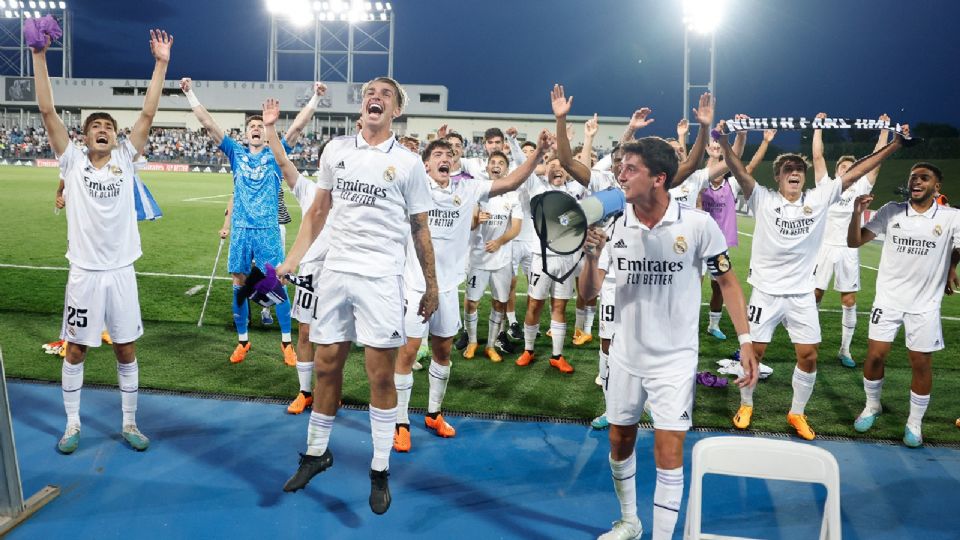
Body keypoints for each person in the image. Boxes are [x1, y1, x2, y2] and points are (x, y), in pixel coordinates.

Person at [578, 136, 757, 540]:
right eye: (620, 167)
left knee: (669, 451)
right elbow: (589, 293)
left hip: (675, 360)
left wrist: (745, 339)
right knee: (619, 438)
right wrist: (590, 255)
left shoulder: (696, 224)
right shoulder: (614, 224)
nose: (620, 175)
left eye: (630, 169)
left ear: (659, 178)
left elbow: (727, 282)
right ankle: (629, 521)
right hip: (624, 355)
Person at [275, 77, 438, 515]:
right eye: (370, 92)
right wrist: (292, 260)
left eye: (385, 94)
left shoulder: (407, 162)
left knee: (379, 376)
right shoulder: (336, 150)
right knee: (326, 365)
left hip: (380, 279)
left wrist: (432, 284)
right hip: (335, 275)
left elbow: (420, 228)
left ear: (396, 110)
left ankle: (380, 469)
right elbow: (318, 211)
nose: (375, 98)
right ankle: (316, 453)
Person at [717, 119, 907, 440]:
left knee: (808, 355)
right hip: (765, 294)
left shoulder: (818, 198)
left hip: (802, 295)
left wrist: (896, 144)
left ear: (803, 177)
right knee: (755, 353)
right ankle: (747, 404)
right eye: (788, 168)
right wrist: (724, 142)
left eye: (799, 169)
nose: (795, 172)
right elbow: (738, 170)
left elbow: (857, 172)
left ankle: (797, 413)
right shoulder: (762, 198)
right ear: (777, 176)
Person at [34, 29, 173, 454]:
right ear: (83, 136)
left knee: (126, 349)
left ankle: (130, 423)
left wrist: (161, 64)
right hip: (84, 274)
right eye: (95, 126)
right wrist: (39, 56)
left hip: (121, 273)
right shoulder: (72, 161)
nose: (102, 130)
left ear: (116, 137)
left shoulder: (127, 158)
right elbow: (45, 110)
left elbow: (147, 114)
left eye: (108, 127)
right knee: (75, 350)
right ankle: (73, 425)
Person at [393, 134, 548, 453]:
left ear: (455, 162)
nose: (444, 158)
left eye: (448, 154)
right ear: (426, 164)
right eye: (437, 153)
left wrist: (537, 155)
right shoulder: (412, 189)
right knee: (407, 353)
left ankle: (433, 414)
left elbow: (511, 182)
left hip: (448, 288)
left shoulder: (467, 189)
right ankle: (400, 421)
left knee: (443, 352)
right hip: (415, 286)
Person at [181, 78, 326, 366]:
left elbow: (297, 127)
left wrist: (316, 98)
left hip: (268, 230)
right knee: (239, 282)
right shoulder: (236, 153)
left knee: (277, 282)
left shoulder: (276, 154)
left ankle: (286, 344)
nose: (257, 129)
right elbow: (209, 125)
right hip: (242, 231)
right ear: (246, 135)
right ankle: (243, 341)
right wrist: (189, 93)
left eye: (260, 126)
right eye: (252, 127)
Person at [848, 160, 960, 447]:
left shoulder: (951, 218)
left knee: (920, 363)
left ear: (937, 186)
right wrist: (856, 213)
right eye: (913, 177)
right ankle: (873, 405)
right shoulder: (891, 211)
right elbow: (855, 241)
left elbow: (958, 246)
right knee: (874, 356)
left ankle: (914, 422)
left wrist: (950, 267)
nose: (916, 182)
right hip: (888, 299)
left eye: (924, 177)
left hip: (924, 304)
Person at [260, 98, 328, 415]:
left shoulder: (359, 196)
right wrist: (271, 128)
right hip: (311, 273)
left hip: (345, 274)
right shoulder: (310, 190)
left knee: (337, 339)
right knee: (306, 331)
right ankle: (305, 391)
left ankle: (330, 389)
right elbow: (283, 162)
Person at [812, 113, 891, 367]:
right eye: (843, 167)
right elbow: (817, 157)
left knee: (849, 300)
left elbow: (876, 162)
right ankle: (809, 341)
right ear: (837, 172)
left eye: (851, 167)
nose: (846, 169)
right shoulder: (828, 185)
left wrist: (883, 132)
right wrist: (818, 128)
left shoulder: (861, 188)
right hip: (823, 248)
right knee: (814, 296)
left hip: (848, 249)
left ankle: (844, 350)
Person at [701, 128, 775, 340]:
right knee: (691, 286)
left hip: (718, 246)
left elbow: (750, 166)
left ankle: (713, 324)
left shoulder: (731, 185)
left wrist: (765, 142)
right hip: (697, 244)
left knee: (719, 287)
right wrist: (714, 155)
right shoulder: (700, 182)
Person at [462, 152, 524, 362]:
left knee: (499, 303)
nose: (496, 165)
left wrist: (499, 241)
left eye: (501, 163)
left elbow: (516, 228)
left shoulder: (513, 195)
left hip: (501, 261)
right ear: (487, 167)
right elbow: (468, 225)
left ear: (506, 169)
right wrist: (476, 220)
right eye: (493, 162)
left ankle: (490, 345)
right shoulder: (477, 191)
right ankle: (471, 341)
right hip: (478, 259)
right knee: (472, 302)